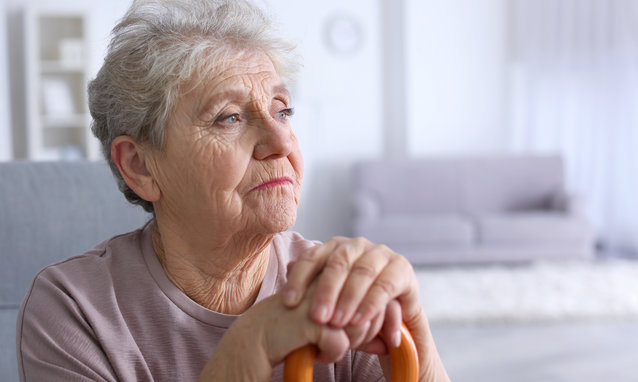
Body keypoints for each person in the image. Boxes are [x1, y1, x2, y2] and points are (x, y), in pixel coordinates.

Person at [16, 0, 450, 381]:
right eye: (229, 118)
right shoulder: (75, 309)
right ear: (140, 165)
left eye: (283, 112)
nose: (282, 144)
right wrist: (248, 351)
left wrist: (415, 334)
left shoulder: (335, 288)